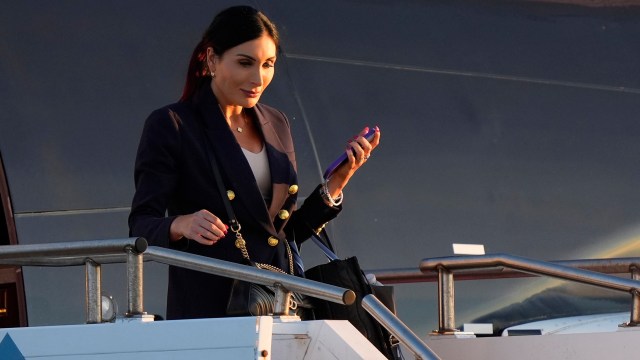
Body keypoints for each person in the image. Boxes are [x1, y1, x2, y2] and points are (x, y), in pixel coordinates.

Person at [128, 5, 380, 320]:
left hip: (279, 308)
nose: (258, 78)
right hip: (212, 311)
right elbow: (140, 226)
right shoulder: (173, 124)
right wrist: (180, 225)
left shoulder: (276, 122)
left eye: (268, 64)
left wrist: (337, 182)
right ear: (211, 59)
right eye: (245, 63)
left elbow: (278, 235)